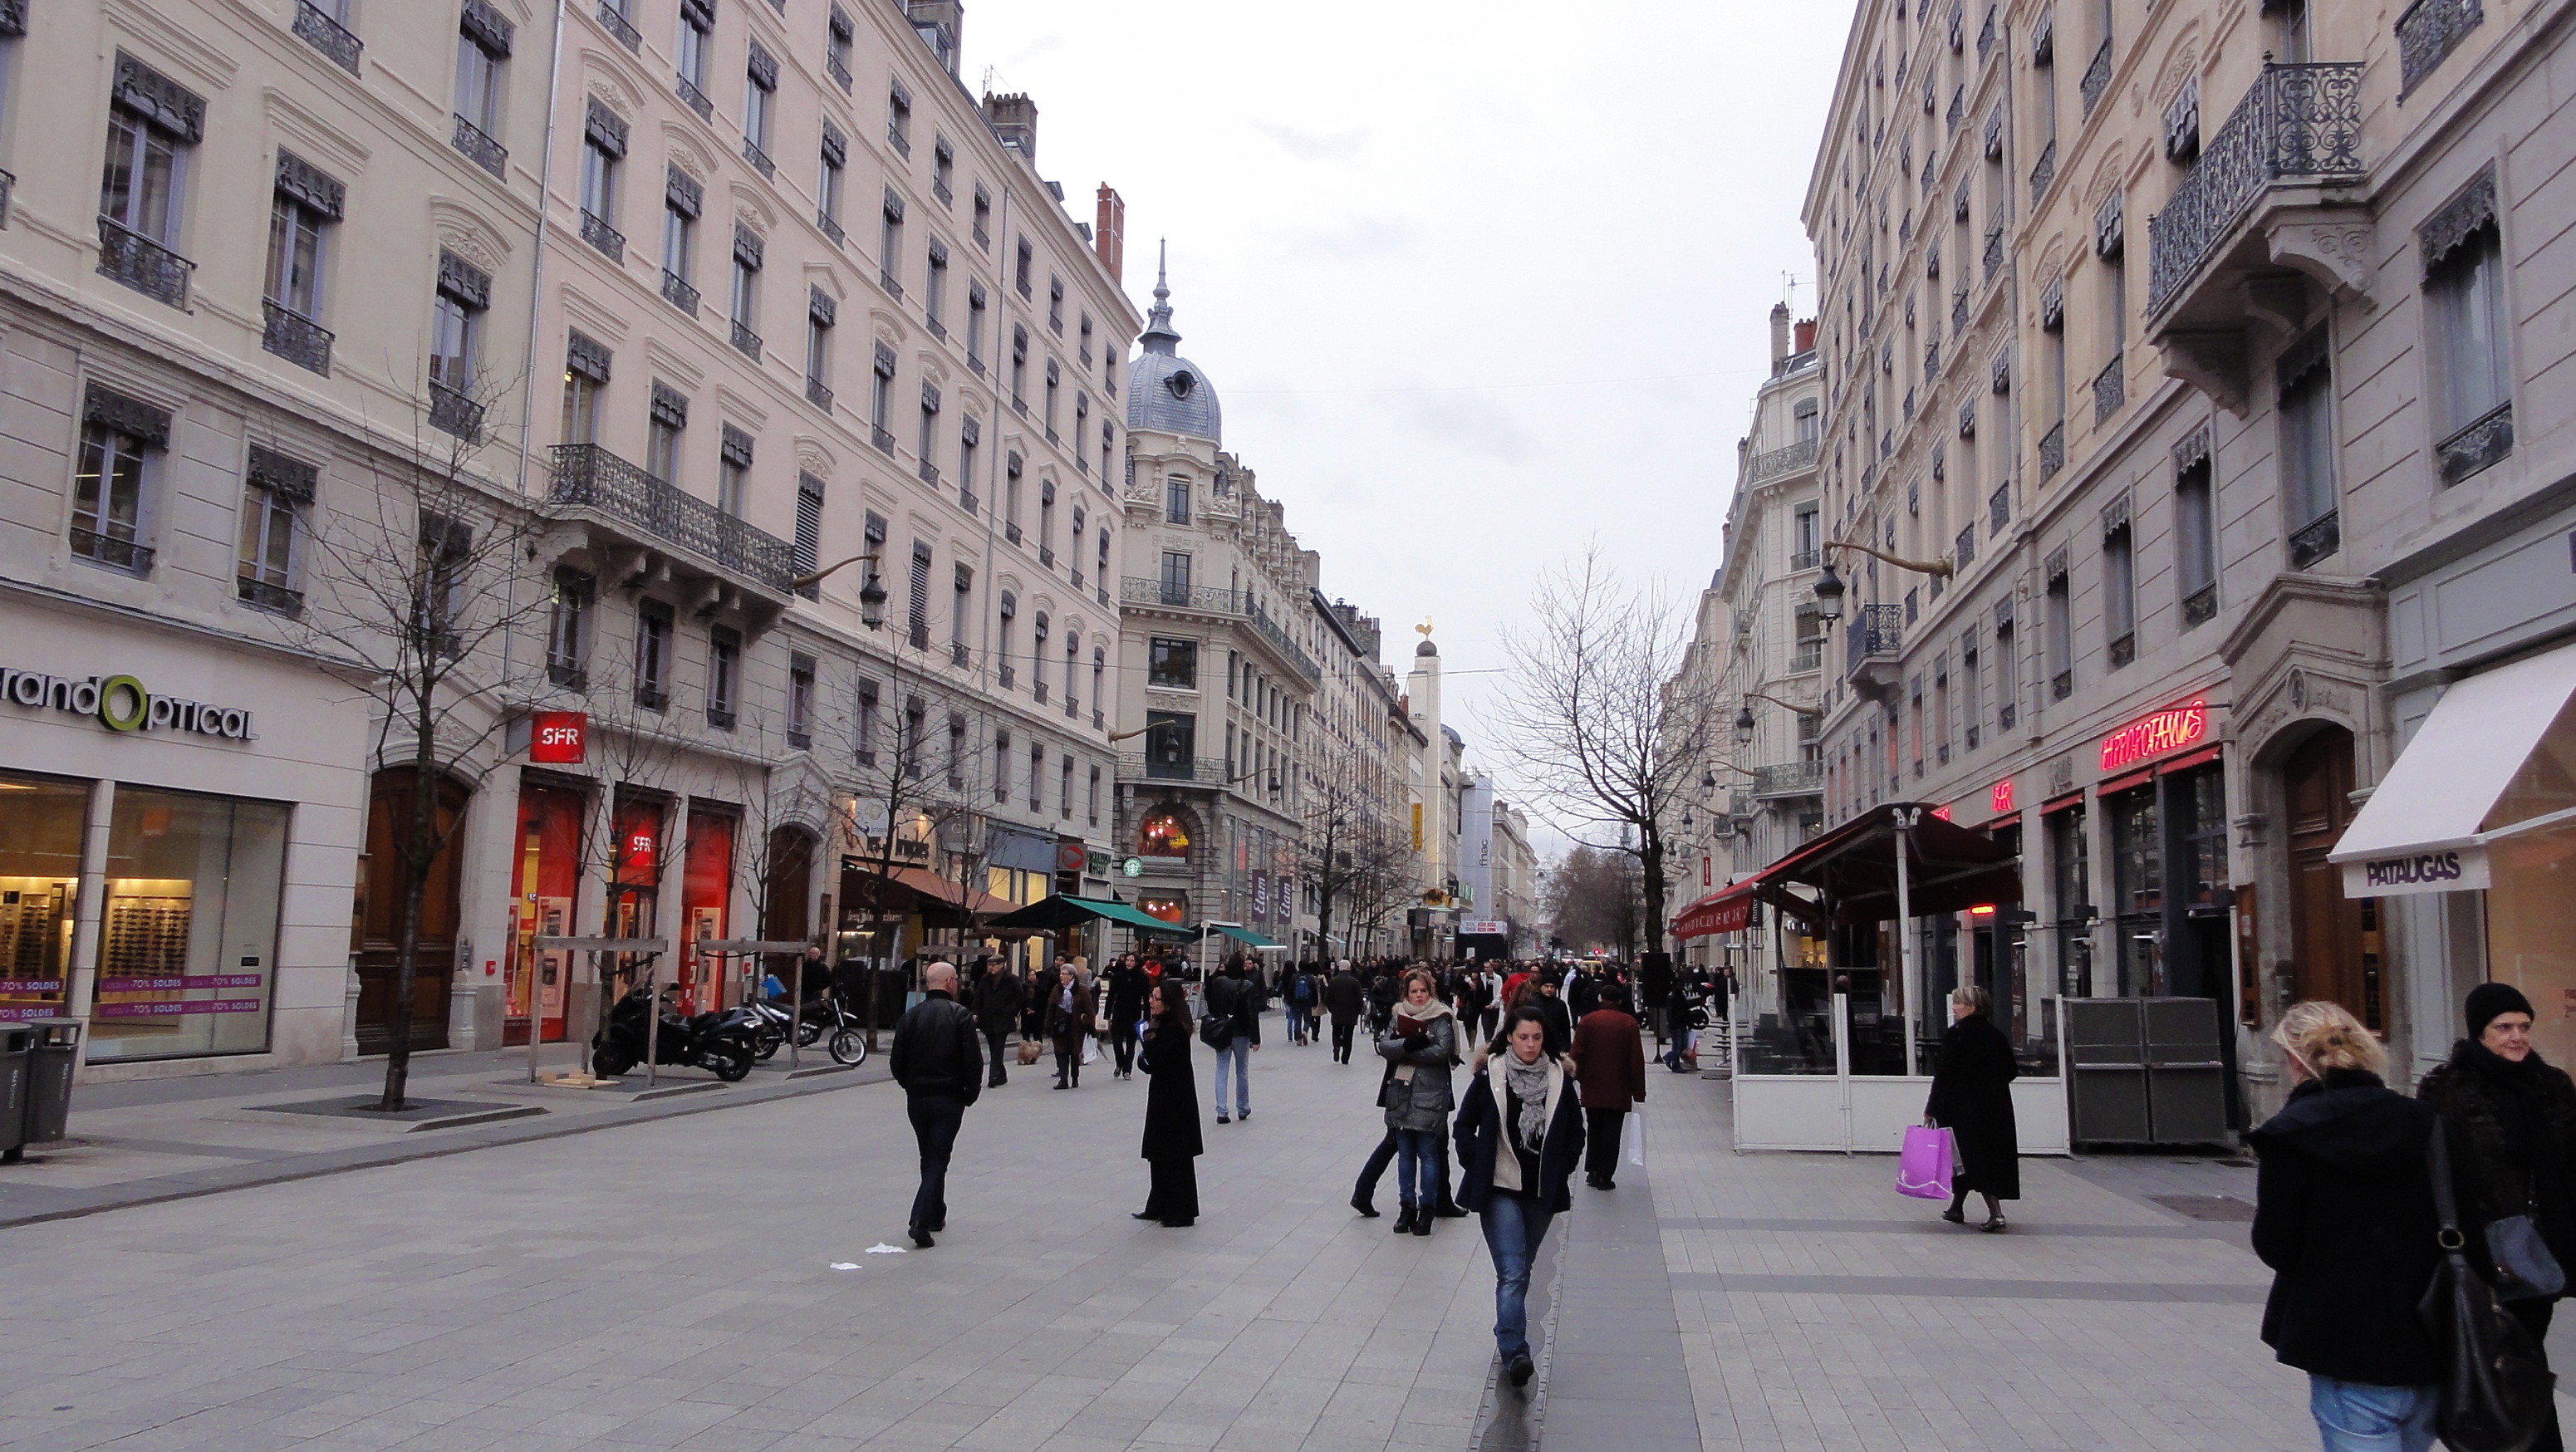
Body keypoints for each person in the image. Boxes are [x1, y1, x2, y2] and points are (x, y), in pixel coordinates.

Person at [2254, 1001, 2460, 1452]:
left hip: (2343, 1339)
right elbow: (2467, 1221)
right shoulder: (2426, 1123)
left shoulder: (2291, 1134)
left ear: (2294, 1058)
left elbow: (2276, 1244)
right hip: (2431, 1337)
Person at [2420, 981, 2576, 1452]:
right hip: (2480, 1252)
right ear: (2479, 1032)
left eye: (2524, 1027)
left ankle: (2514, 1439)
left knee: (2522, 1351)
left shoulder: (2552, 1087)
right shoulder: (2447, 1089)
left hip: (2542, 1250)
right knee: (2505, 1355)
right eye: (2504, 1027)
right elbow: (2438, 1174)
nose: (2517, 1037)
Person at [1455, 1006, 1585, 1389]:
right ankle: (1516, 1352)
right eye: (1523, 1037)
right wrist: (1476, 1162)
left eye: (1536, 1038)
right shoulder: (1491, 1076)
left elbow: (1576, 1132)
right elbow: (1464, 1125)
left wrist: (1563, 1167)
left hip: (1541, 1192)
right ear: (1509, 1037)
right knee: (1511, 1272)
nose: (1530, 1045)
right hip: (1499, 1189)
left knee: (1522, 1268)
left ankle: (1505, 1328)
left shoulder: (1559, 1079)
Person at [887, 961, 982, 1248]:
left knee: (929, 1155)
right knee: (938, 1158)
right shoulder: (960, 1015)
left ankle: (936, 1212)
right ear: (950, 982)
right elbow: (973, 1061)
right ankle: (919, 1219)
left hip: (918, 1098)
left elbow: (896, 1062)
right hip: (949, 1097)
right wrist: (969, 1093)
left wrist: (909, 1084)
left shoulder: (910, 1016)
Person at [1925, 984, 2020, 1232]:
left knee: (1969, 1157)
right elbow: (2011, 1070)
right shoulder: (1996, 1035)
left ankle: (1996, 1213)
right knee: (1979, 1156)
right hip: (1995, 1106)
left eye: (1959, 1003)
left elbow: (1945, 1074)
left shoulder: (1957, 1034)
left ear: (1972, 1007)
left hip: (1962, 1107)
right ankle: (1956, 1207)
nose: (1954, 1007)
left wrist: (1932, 1107)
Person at [1377, 968, 1460, 1235]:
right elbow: (1384, 1046)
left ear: (1430, 991)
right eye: (1414, 991)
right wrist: (1406, 1045)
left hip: (1430, 1094)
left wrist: (1409, 1049)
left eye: (1423, 990)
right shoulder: (1398, 1015)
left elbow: (1443, 1050)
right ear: (1407, 993)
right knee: (1405, 1155)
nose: (1419, 995)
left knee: (1428, 1154)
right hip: (1401, 1093)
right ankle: (1407, 1206)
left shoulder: (1441, 1016)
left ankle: (1427, 1208)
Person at [1135, 980, 1203, 1227]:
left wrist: (1147, 1045)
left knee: (1175, 1155)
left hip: (1175, 1100)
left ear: (1169, 1003)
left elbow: (1157, 1059)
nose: (1151, 1002)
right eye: (1151, 996)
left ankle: (1180, 1210)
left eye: (1156, 998)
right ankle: (1158, 1204)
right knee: (1158, 1154)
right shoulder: (1161, 1025)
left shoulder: (1174, 1028)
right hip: (1163, 1095)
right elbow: (1149, 1063)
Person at [1571, 984, 1646, 1190]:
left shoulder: (1587, 1021)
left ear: (1600, 999)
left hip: (1592, 1085)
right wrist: (1638, 1091)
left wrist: (1577, 1077)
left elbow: (1577, 1054)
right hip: (1619, 1088)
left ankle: (1592, 1170)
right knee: (1612, 1133)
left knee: (1594, 1128)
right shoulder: (1629, 1023)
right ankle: (1605, 1175)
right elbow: (1636, 1059)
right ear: (1620, 1001)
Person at [1206, 956, 1262, 1122]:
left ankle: (1221, 1110)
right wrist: (1256, 1037)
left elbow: (1211, 1005)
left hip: (1222, 1030)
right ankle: (1243, 1107)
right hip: (1241, 1031)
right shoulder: (1247, 985)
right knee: (1242, 1069)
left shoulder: (1219, 983)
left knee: (1221, 1069)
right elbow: (1252, 1013)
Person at [972, 957, 1023, 1088]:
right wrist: (975, 1012)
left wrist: (1012, 1010)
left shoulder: (1011, 979)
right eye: (989, 965)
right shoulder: (985, 979)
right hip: (987, 1018)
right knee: (992, 1047)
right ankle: (1002, 1075)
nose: (991, 967)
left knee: (998, 1048)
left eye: (994, 965)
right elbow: (978, 997)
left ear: (1002, 965)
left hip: (1003, 1018)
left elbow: (1019, 997)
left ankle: (993, 1076)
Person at [1047, 959, 1096, 1090]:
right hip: (1060, 1025)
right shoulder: (1057, 989)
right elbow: (1051, 1007)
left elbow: (1089, 1009)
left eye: (1064, 974)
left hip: (1076, 1026)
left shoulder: (1081, 990)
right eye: (1061, 974)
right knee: (1061, 1051)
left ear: (1072, 976)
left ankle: (1074, 1078)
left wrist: (1090, 1025)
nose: (1061, 976)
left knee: (1074, 1053)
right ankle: (1063, 1080)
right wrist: (1048, 1025)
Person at [1104, 953, 1150, 1080]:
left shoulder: (1142, 978)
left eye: (1132, 960)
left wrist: (1147, 1017)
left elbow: (1146, 998)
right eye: (1127, 960)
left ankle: (1127, 1070)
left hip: (1134, 1014)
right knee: (1117, 1042)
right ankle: (1120, 1062)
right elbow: (1111, 996)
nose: (1129, 963)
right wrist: (1107, 1013)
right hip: (1119, 1013)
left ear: (1136, 963)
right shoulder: (1118, 976)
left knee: (1131, 1045)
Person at [1326, 960, 1367, 1064]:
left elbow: (1328, 998)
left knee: (1336, 1031)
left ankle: (1336, 1046)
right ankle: (1345, 1058)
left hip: (1337, 1012)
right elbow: (1359, 998)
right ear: (1349, 968)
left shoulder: (1333, 981)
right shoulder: (1354, 982)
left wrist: (1331, 1009)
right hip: (1351, 1013)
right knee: (1349, 1035)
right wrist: (1358, 1011)